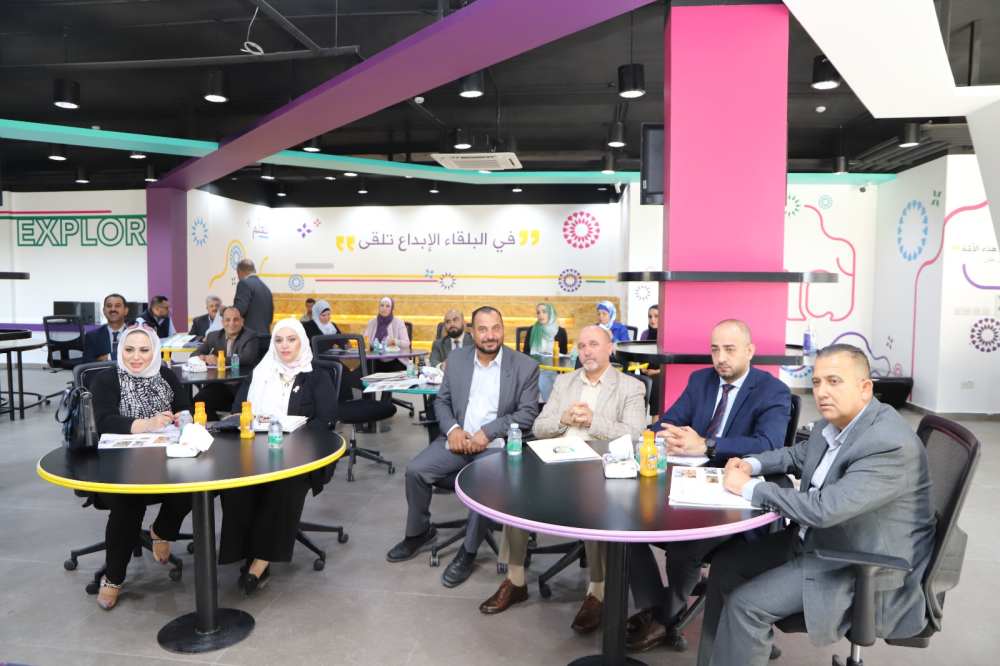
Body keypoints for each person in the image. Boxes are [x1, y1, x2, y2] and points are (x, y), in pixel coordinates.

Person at [696, 344, 936, 666]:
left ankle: (744, 641)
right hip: (815, 541)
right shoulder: (834, 422)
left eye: (834, 381)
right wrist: (751, 464)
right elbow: (798, 455)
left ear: (865, 388)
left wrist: (750, 487)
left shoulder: (888, 443)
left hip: (853, 561)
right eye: (817, 382)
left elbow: (824, 510)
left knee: (745, 605)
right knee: (726, 566)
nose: (822, 392)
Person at [626, 319, 791, 652]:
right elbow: (667, 423)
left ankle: (666, 618)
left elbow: (768, 444)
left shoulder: (773, 390)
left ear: (750, 351)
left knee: (686, 546)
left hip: (735, 494)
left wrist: (708, 445)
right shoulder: (701, 379)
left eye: (730, 349)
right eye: (715, 349)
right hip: (689, 483)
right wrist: (669, 436)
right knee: (627, 526)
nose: (721, 358)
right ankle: (656, 603)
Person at [482, 325, 645, 632]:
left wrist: (594, 421)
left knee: (597, 502)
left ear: (610, 348)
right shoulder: (564, 381)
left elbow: (636, 436)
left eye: (594, 344)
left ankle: (597, 592)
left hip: (600, 469)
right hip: (558, 463)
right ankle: (515, 581)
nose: (587, 351)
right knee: (516, 495)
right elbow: (539, 427)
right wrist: (563, 419)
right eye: (582, 346)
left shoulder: (630, 386)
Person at [387, 307, 539, 589]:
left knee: (483, 485)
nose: (490, 335)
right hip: (457, 440)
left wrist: (488, 432)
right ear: (472, 332)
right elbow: (442, 402)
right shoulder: (457, 359)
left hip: (496, 445)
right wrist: (453, 430)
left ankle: (467, 552)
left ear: (503, 329)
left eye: (496, 328)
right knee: (416, 471)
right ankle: (419, 532)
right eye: (483, 329)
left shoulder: (525, 366)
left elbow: (527, 413)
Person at [219, 318, 338, 597]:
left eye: (291, 339)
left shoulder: (316, 375)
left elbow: (327, 419)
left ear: (302, 342)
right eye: (279, 340)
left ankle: (260, 563)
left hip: (303, 455)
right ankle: (244, 549)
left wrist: (292, 433)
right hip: (257, 449)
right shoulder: (261, 372)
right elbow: (238, 411)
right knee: (235, 485)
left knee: (283, 485)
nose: (285, 346)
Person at [89, 323, 193, 610]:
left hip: (162, 459)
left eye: (144, 350)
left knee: (196, 486)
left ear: (155, 351)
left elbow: (185, 407)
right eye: (129, 349)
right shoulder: (106, 379)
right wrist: (147, 424)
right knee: (128, 505)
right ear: (120, 350)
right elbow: (104, 421)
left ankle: (161, 530)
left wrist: (184, 419)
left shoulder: (165, 375)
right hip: (117, 464)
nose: (136, 357)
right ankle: (113, 577)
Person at [191, 306, 259, 420]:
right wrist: (204, 357)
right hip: (220, 384)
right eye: (227, 320)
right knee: (198, 402)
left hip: (242, 384)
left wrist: (219, 360)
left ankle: (231, 426)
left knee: (239, 412)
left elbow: (247, 357)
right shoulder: (213, 336)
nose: (231, 323)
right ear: (222, 322)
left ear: (242, 321)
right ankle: (216, 426)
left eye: (236, 319)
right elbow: (194, 354)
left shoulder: (250, 335)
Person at [524, 302, 568, 402]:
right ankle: (552, 408)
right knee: (545, 380)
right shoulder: (532, 330)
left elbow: (563, 355)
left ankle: (551, 407)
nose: (541, 315)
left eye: (544, 312)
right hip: (535, 369)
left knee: (552, 381)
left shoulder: (561, 332)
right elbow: (526, 352)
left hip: (553, 369)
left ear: (551, 313)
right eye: (538, 312)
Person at [233, 259, 274, 361]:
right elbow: (270, 317)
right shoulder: (266, 288)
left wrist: (224, 310)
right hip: (265, 339)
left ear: (240, 272)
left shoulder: (244, 284)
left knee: (248, 370)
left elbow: (239, 311)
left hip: (249, 340)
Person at [82, 293, 130, 363]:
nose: (113, 309)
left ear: (126, 310)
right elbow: (87, 362)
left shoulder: (135, 334)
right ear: (104, 311)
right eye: (109, 306)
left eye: (117, 306)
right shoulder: (92, 336)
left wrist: (110, 357)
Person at [639, 304, 661, 419]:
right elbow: (641, 356)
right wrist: (641, 366)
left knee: (655, 384)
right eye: (650, 316)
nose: (653, 319)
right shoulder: (645, 334)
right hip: (646, 372)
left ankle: (655, 424)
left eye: (656, 316)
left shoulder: (667, 335)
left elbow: (669, 363)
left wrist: (655, 372)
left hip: (660, 372)